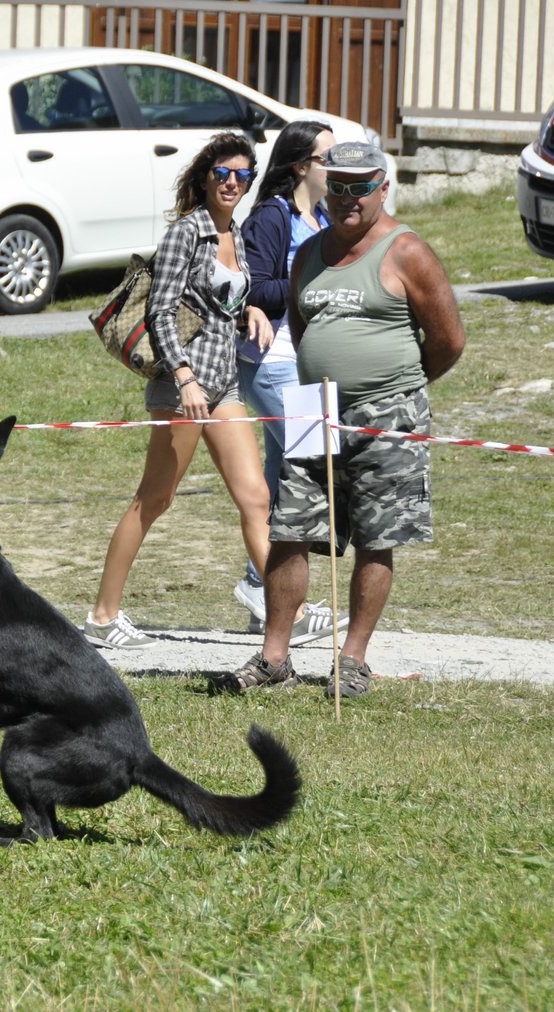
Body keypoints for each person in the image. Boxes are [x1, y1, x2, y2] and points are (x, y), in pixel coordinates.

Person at [221, 141, 465, 699]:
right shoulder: (310, 255)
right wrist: (325, 371)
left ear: (384, 189)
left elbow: (449, 340)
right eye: (338, 186)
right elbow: (303, 327)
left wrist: (395, 387)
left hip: (389, 412)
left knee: (376, 538)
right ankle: (274, 657)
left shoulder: (407, 252)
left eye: (361, 187)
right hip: (314, 408)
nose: (347, 198)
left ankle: (351, 659)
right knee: (291, 530)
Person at [83, 132, 273, 650]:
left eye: (242, 174)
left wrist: (250, 310)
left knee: (255, 498)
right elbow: (160, 311)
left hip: (226, 382)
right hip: (183, 387)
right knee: (155, 498)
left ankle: (283, 614)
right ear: (206, 177)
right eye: (223, 173)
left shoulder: (234, 234)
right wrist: (185, 376)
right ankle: (103, 616)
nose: (232, 182)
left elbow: (221, 307)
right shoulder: (187, 233)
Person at [232, 119, 348, 646]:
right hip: (270, 361)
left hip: (303, 364)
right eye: (328, 157)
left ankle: (267, 591)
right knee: (310, 464)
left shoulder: (321, 215)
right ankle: (265, 587)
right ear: (301, 165)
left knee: (289, 472)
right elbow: (254, 286)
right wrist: (312, 284)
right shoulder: (271, 218)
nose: (335, 165)